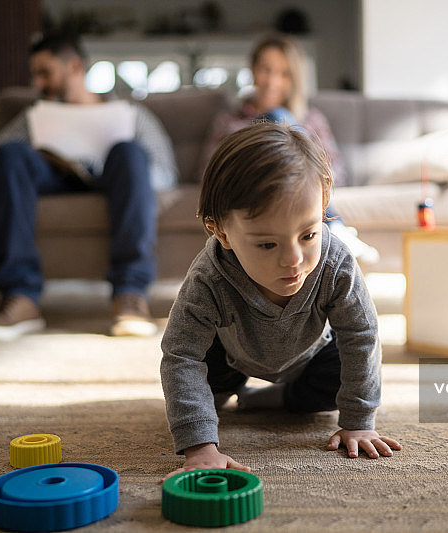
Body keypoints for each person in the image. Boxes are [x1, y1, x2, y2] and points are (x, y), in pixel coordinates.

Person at [160, 123, 401, 478]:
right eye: (267, 244)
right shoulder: (208, 278)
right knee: (194, 393)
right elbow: (181, 355)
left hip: (311, 355)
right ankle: (233, 392)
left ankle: (275, 398)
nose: (293, 259)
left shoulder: (336, 263)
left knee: (339, 378)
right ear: (221, 232)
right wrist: (200, 446)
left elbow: (361, 334)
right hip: (229, 357)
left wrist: (359, 421)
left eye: (308, 234)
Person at [0, 34, 178, 341]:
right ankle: (21, 297)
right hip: (53, 180)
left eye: (45, 73)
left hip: (112, 182)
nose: (38, 84)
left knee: (130, 152)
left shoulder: (131, 114)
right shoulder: (35, 115)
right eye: (35, 75)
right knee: (10, 153)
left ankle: (130, 296)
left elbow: (164, 173)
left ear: (74, 67)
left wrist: (121, 166)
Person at [198, 33, 380, 268]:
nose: (272, 81)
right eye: (266, 69)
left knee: (277, 118)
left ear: (294, 79)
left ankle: (333, 227)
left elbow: (333, 174)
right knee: (274, 120)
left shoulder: (311, 119)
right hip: (250, 190)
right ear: (253, 69)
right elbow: (209, 174)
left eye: (283, 74)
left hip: (300, 190)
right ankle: (336, 229)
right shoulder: (230, 122)